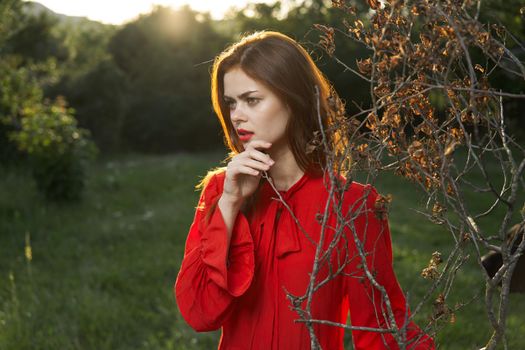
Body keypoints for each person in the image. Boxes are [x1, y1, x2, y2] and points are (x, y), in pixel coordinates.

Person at [174, 31, 435, 349]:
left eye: (252, 100)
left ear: (293, 99)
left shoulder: (352, 204)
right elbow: (200, 314)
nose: (237, 115)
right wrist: (230, 203)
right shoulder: (222, 190)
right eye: (231, 103)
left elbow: (381, 329)